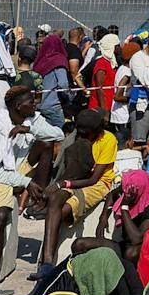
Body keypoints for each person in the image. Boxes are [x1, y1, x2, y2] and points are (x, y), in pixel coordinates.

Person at [0, 86, 63, 280]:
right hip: (1, 176)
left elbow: (58, 134)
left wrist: (29, 129)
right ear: (18, 106)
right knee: (1, 214)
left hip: (21, 169)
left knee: (46, 142)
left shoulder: (33, 119)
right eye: (30, 101)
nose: (35, 103)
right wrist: (25, 182)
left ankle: (38, 199)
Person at [37, 109, 118, 268]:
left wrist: (62, 184)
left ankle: (46, 262)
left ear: (97, 131)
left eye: (86, 133)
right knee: (55, 199)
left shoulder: (109, 140)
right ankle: (46, 263)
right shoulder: (75, 138)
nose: (82, 135)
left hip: (99, 183)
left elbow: (94, 179)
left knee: (62, 211)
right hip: (75, 179)